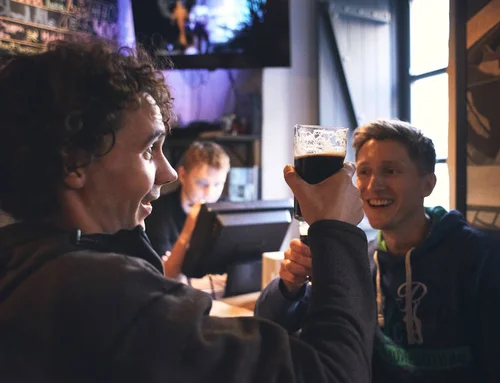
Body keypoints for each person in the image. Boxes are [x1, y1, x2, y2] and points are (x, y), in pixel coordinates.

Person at [0, 39, 375, 382]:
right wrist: (337, 231)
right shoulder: (101, 293)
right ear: (75, 163)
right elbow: (334, 375)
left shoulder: (24, 261)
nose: (166, 173)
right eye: (149, 150)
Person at [255, 119, 500, 382]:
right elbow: (270, 325)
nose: (373, 185)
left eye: (391, 171)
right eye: (365, 172)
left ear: (428, 184)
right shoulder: (359, 261)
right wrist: (289, 286)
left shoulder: (485, 260)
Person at [144, 140, 230, 281]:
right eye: (202, 183)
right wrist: (190, 226)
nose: (209, 192)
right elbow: (165, 275)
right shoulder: (157, 212)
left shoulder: (228, 211)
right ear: (183, 175)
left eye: (218, 184)